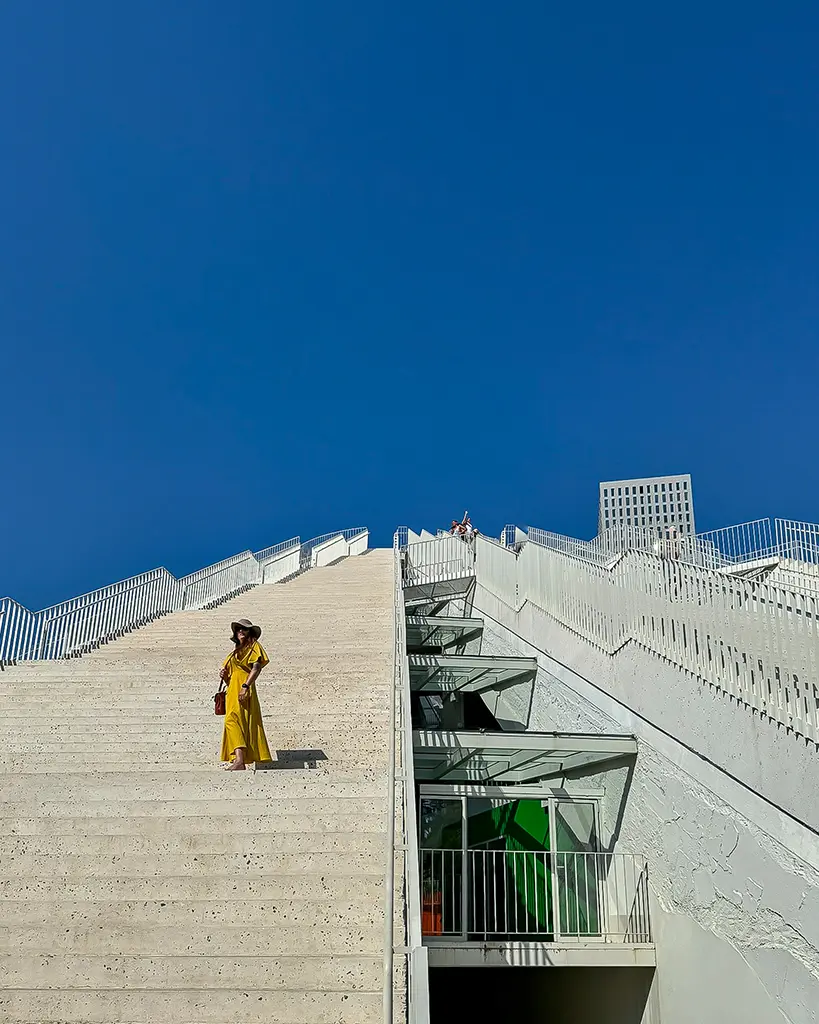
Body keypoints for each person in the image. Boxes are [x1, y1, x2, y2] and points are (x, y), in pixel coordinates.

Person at [219, 618, 272, 771]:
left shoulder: (254, 647)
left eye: (244, 629)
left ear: (250, 632)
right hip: (232, 690)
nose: (241, 631)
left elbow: (256, 668)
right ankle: (239, 759)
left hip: (244, 688)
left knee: (234, 721)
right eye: (238, 629)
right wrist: (224, 675)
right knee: (233, 721)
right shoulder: (234, 653)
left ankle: (240, 761)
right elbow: (230, 677)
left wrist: (245, 686)